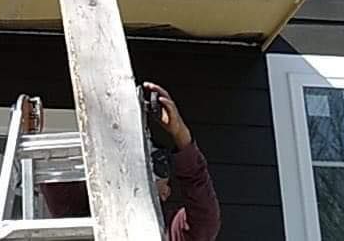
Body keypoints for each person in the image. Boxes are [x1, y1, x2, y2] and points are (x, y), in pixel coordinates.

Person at [41, 82, 221, 241]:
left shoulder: (170, 230)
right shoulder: (89, 217)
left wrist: (180, 133)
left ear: (166, 192)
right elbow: (58, 187)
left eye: (158, 164)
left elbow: (205, 218)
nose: (146, 168)